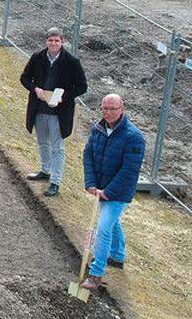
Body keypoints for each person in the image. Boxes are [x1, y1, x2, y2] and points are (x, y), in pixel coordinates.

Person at [81, 94, 145, 291]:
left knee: (103, 229)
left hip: (117, 193)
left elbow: (129, 170)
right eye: (105, 108)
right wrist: (91, 183)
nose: (108, 113)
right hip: (101, 187)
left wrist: (109, 191)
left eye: (112, 109)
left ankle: (96, 273)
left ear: (122, 109)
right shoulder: (98, 129)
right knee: (113, 222)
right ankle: (117, 256)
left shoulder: (134, 137)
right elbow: (88, 155)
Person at [19, 27, 88, 197]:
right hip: (39, 109)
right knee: (42, 142)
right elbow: (24, 78)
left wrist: (64, 96)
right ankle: (45, 170)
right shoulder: (37, 57)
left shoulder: (72, 62)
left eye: (57, 40)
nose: (53, 43)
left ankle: (55, 182)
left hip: (59, 112)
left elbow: (82, 86)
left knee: (58, 147)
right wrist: (35, 89)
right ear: (46, 41)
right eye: (50, 40)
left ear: (62, 42)